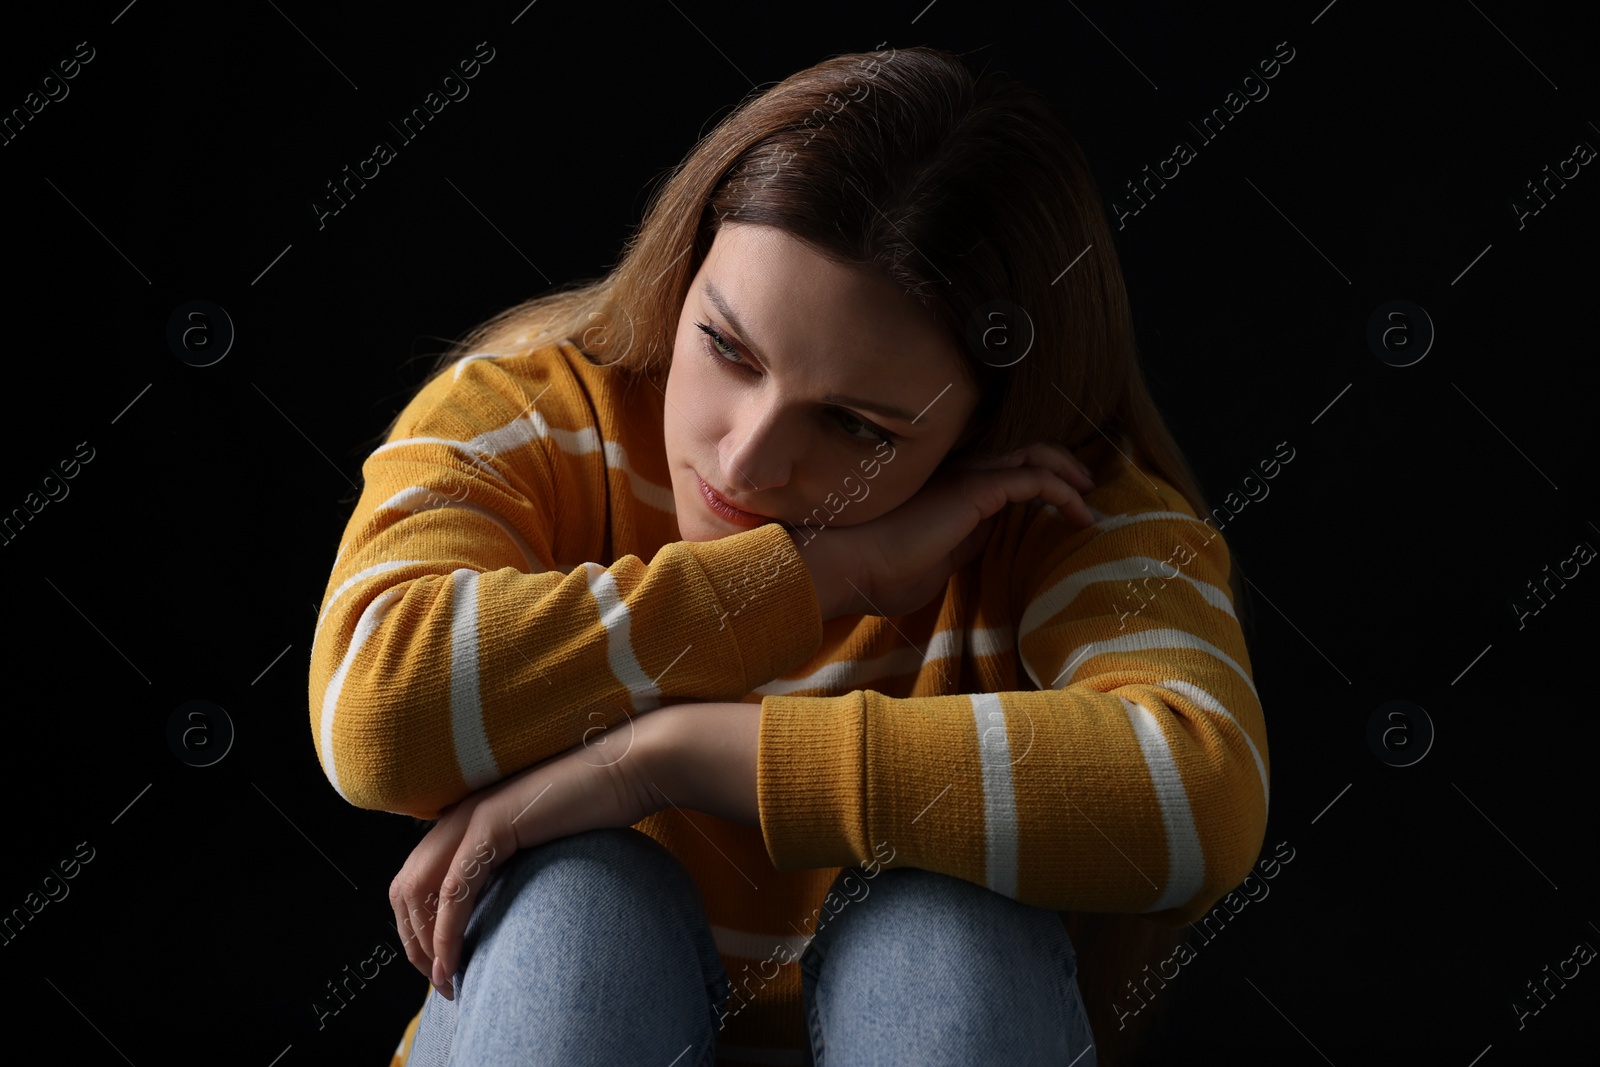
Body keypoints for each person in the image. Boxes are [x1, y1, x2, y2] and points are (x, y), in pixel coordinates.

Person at [308, 45, 1268, 1067]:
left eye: (856, 425)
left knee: (946, 929)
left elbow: (1200, 794)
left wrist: (659, 757)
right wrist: (819, 577)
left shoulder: (1049, 508)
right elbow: (377, 715)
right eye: (728, 348)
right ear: (684, 269)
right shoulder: (529, 411)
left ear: (986, 434)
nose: (748, 459)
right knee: (580, 900)